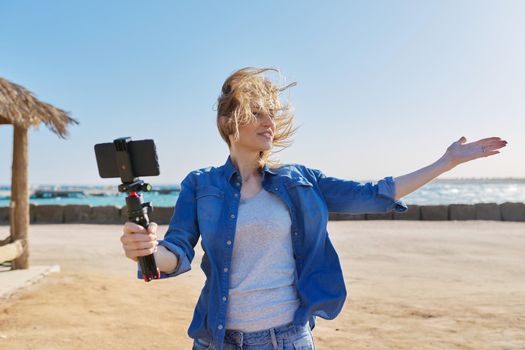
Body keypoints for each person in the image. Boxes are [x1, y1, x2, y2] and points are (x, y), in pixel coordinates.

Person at [120, 67, 508, 350]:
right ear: (228, 121)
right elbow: (178, 251)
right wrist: (149, 252)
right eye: (256, 112)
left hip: (286, 339)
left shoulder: (300, 180)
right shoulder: (200, 184)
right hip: (215, 340)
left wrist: (447, 162)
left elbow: (376, 193)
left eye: (271, 113)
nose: (269, 122)